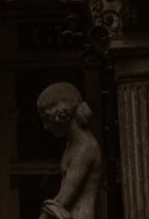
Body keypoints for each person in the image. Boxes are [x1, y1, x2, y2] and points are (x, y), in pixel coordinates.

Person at [37, 81, 102, 219]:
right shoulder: (72, 144)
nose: (46, 127)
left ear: (60, 114)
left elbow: (64, 199)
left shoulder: (85, 147)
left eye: (46, 119)